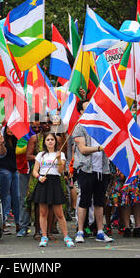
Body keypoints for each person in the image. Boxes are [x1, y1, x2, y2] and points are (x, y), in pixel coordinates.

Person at [73, 100, 113, 243]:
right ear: (81, 112)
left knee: (99, 201)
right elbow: (83, 149)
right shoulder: (80, 127)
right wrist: (100, 148)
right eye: (87, 108)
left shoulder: (102, 126)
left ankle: (100, 231)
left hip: (102, 169)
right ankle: (80, 231)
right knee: (84, 200)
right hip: (86, 169)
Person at [31, 133, 75, 248]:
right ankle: (44, 236)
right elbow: (35, 171)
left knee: (59, 213)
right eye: (48, 139)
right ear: (44, 142)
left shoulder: (61, 154)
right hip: (43, 183)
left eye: (52, 139)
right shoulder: (41, 155)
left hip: (55, 183)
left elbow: (60, 171)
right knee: (43, 212)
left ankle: (66, 237)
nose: (50, 141)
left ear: (55, 141)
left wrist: (59, 159)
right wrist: (39, 177)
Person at [0, 126, 20, 234]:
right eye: (8, 128)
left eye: (13, 127)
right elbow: (1, 154)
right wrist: (1, 144)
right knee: (5, 197)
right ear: (5, 129)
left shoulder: (19, 140)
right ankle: (3, 223)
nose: (11, 130)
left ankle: (18, 223)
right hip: (4, 170)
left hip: (15, 170)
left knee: (17, 197)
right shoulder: (2, 139)